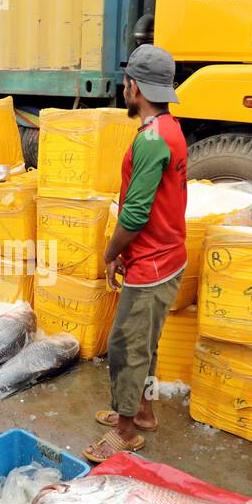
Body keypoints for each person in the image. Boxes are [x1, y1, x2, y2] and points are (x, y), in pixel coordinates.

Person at [84, 44, 188, 463]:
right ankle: (141, 411)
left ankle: (126, 432)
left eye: (125, 84)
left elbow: (136, 213)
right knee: (146, 343)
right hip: (167, 256)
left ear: (133, 87)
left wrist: (111, 253)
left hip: (153, 263)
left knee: (127, 345)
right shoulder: (170, 128)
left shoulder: (150, 140)